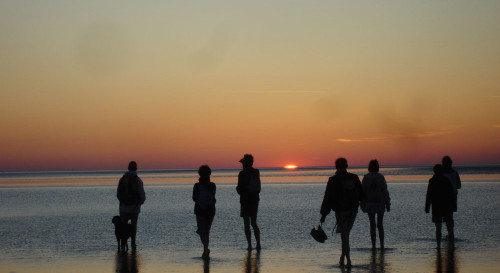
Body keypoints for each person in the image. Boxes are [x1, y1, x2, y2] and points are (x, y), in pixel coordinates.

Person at [320, 158, 364, 267]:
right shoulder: (354, 178)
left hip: (341, 211)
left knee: (344, 237)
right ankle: (343, 258)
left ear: (336, 166)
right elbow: (362, 195)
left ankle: (347, 260)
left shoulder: (333, 180)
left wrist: (323, 215)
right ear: (346, 165)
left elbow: (327, 199)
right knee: (346, 235)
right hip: (353, 211)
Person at [360, 159, 391, 251]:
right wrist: (387, 203)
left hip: (370, 204)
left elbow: (363, 192)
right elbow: (385, 191)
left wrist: (362, 205)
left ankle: (373, 246)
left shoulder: (366, 177)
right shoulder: (380, 177)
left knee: (372, 225)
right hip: (380, 203)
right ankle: (382, 245)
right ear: (377, 167)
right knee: (380, 225)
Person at [116, 161, 146, 251]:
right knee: (133, 226)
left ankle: (122, 245)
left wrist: (123, 202)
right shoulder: (138, 180)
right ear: (136, 168)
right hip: (135, 208)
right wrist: (139, 203)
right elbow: (142, 196)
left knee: (122, 226)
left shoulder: (122, 179)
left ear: (128, 167)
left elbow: (118, 194)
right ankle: (133, 243)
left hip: (123, 208)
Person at [425, 164, 456, 249]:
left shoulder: (432, 181)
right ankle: (452, 245)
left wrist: (427, 207)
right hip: (447, 206)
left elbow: (429, 195)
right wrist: (454, 206)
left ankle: (438, 246)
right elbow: (451, 194)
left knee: (438, 227)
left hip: (437, 206)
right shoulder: (446, 180)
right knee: (449, 227)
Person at [236, 154, 261, 251]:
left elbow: (240, 188)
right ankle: (258, 244)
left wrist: (238, 189)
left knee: (247, 223)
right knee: (254, 222)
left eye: (243, 163)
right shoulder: (256, 172)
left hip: (245, 200)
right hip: (255, 200)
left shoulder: (242, 174)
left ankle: (250, 245)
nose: (241, 165)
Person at [192, 165, 216, 260]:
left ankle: (206, 249)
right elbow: (212, 197)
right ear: (209, 174)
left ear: (199, 174)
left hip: (200, 210)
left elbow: (194, 198)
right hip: (210, 210)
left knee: (202, 231)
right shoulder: (212, 185)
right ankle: (205, 249)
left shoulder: (197, 186)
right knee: (206, 231)